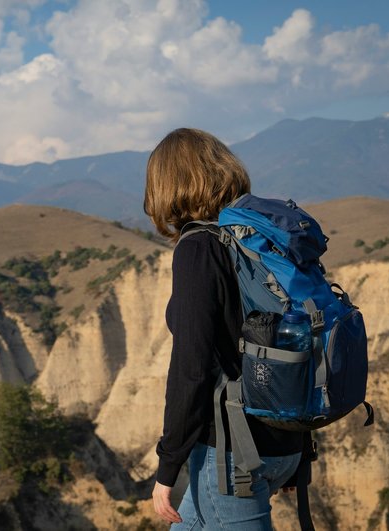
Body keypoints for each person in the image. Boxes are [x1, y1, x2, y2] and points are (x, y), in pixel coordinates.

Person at [144, 128, 304, 530]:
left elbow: (191, 368)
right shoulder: (256, 238)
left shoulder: (198, 248)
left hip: (235, 455)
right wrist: (297, 447)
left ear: (166, 187)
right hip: (283, 440)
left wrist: (168, 466)